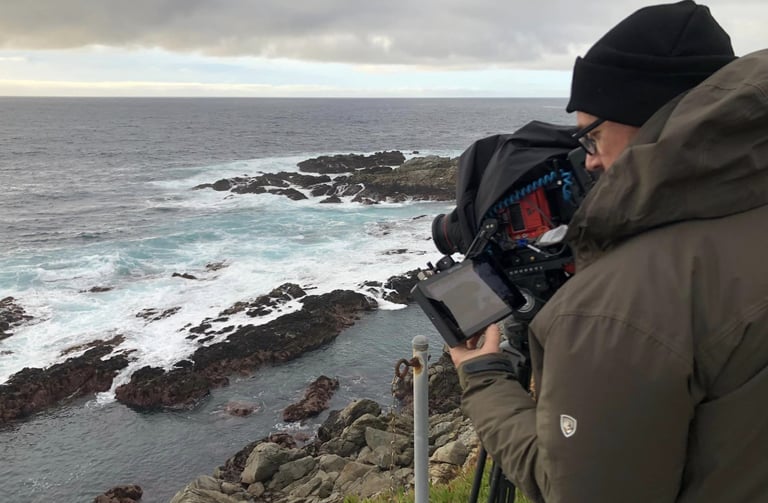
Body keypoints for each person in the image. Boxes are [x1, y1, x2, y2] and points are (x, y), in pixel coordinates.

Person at [450, 1, 768, 502]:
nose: (588, 162)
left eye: (592, 136)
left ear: (653, 122)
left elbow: (573, 489)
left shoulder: (618, 308)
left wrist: (484, 378)